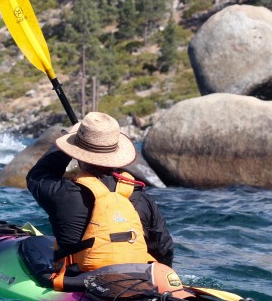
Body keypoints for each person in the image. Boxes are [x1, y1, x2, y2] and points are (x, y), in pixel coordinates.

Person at [26, 111, 174, 288]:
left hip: (81, 282)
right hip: (140, 282)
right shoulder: (140, 196)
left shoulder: (62, 193)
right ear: (116, 154)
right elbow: (164, 248)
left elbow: (38, 176)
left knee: (29, 245)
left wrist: (69, 139)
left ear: (77, 153)